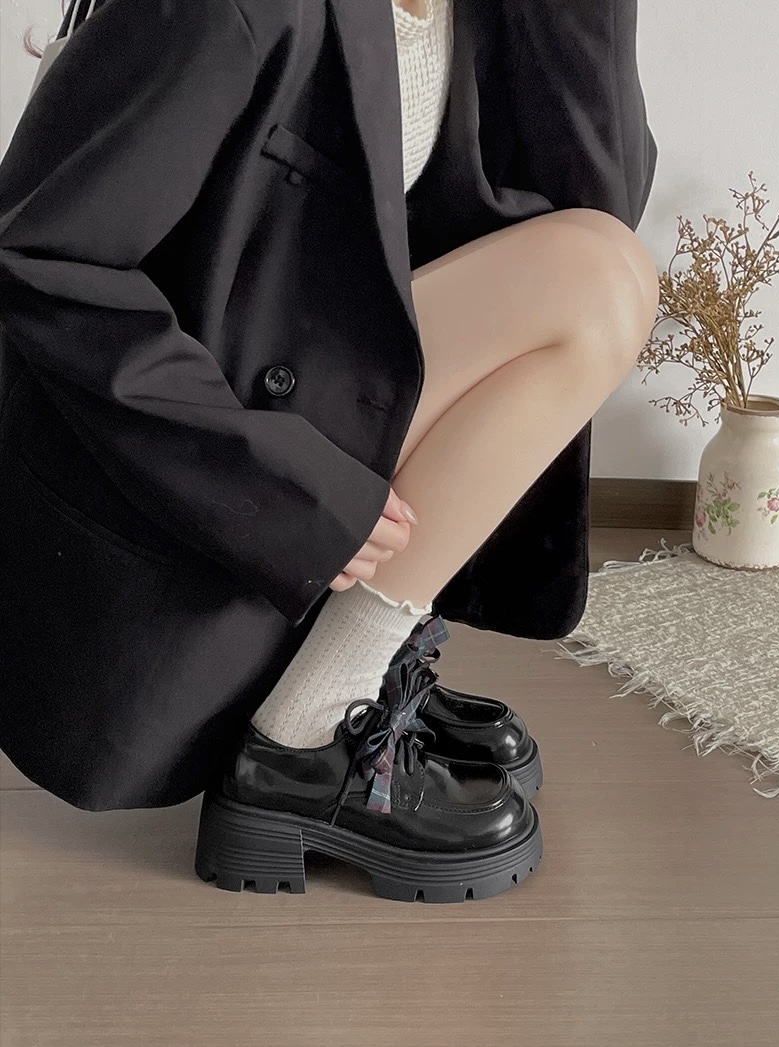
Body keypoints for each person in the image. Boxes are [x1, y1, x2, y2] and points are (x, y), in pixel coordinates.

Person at [0, 0, 659, 902]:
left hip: (281, 388)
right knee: (592, 280)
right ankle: (301, 744)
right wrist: (275, 487)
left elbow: (597, 198)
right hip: (184, 479)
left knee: (602, 270)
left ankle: (343, 675)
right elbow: (41, 256)